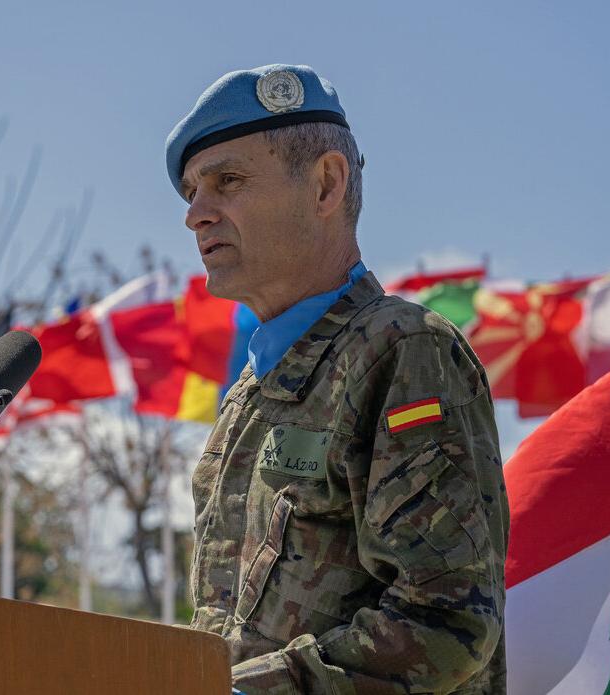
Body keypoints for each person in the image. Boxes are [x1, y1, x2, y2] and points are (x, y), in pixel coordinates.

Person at [165, 64, 509, 694]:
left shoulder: (402, 350)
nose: (197, 215)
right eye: (191, 193)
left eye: (228, 181)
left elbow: (446, 623)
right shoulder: (248, 394)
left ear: (325, 184)